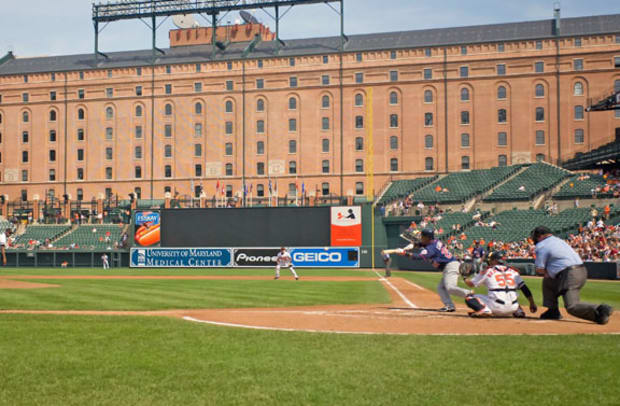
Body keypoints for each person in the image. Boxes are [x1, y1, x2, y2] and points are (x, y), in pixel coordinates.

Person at [531, 226, 613, 325]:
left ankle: (600, 310)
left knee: (571, 306)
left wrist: (547, 271)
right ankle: (553, 311)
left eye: (535, 236)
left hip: (570, 275)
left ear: (540, 236)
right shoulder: (558, 240)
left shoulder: (541, 245)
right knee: (548, 282)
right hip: (581, 271)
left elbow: (539, 269)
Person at [402, 229, 470, 312]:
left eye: (422, 236)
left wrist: (404, 253)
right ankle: (449, 306)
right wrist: (410, 247)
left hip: (450, 266)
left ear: (427, 237)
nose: (421, 238)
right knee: (441, 287)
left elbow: (419, 256)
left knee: (450, 288)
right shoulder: (434, 241)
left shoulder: (431, 248)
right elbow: (420, 244)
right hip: (449, 265)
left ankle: (468, 294)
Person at [463, 251, 537, 318]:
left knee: (469, 297)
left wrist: (464, 277)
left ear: (494, 260)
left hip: (496, 307)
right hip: (513, 307)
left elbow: (471, 284)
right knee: (510, 294)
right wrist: (532, 303)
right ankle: (519, 311)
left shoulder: (488, 270)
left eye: (491, 260)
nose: (489, 261)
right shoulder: (513, 271)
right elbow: (525, 289)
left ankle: (484, 309)